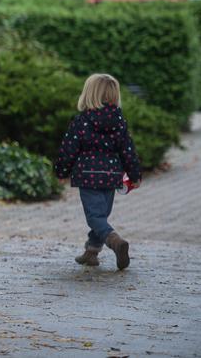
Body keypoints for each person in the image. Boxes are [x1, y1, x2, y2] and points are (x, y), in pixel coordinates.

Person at [55, 73, 142, 270]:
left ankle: (115, 242)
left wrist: (61, 172)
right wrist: (134, 175)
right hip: (111, 176)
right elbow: (128, 150)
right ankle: (91, 252)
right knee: (100, 216)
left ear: (89, 94)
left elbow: (68, 149)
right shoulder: (119, 122)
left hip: (88, 176)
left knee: (95, 218)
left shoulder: (81, 121)